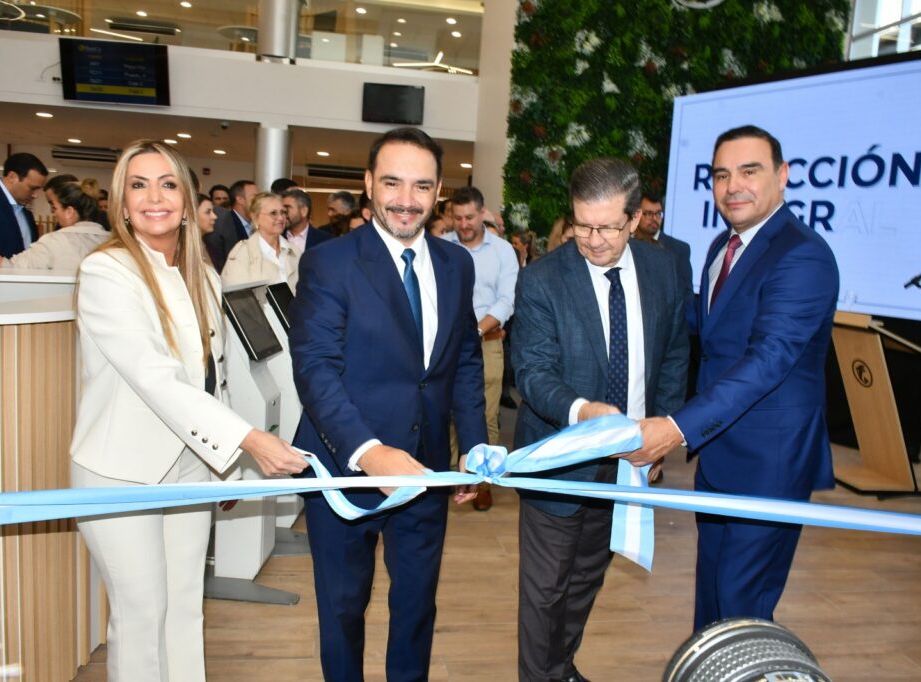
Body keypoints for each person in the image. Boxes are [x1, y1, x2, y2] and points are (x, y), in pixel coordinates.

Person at [70, 140, 308, 682]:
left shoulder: (202, 272)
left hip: (190, 466)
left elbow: (211, 376)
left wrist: (222, 466)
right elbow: (154, 377)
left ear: (187, 199)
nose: (154, 197)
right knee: (141, 615)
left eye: (168, 184)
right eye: (138, 185)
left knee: (183, 607)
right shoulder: (107, 271)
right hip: (120, 470)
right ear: (121, 202)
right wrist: (247, 440)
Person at [288, 127, 486, 682]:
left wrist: (472, 445)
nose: (406, 199)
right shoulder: (330, 262)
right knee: (343, 611)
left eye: (421, 186)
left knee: (417, 608)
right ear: (369, 183)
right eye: (393, 182)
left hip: (427, 471)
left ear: (439, 192)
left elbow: (464, 359)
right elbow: (316, 369)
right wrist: (368, 452)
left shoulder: (456, 264)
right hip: (345, 469)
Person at [636, 125, 839, 631]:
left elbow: (768, 359)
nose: (732, 187)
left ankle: (742, 666)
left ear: (782, 175)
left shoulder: (803, 255)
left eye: (749, 171)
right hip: (721, 455)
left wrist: (676, 427)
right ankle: (709, 666)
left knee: (742, 604)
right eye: (721, 175)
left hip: (771, 464)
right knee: (711, 593)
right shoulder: (721, 247)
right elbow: (705, 329)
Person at [511, 158, 688, 682]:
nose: (592, 240)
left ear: (635, 219)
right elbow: (533, 372)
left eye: (607, 227)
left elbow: (673, 356)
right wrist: (583, 412)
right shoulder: (543, 279)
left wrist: (661, 434)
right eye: (582, 225)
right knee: (545, 592)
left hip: (627, 463)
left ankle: (561, 669)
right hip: (559, 460)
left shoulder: (663, 270)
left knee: (587, 579)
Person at [443, 186, 519, 511]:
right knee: (446, 414)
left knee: (485, 413)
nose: (464, 224)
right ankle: (451, 476)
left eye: (470, 217)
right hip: (442, 346)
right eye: (458, 217)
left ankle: (483, 480)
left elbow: (506, 301)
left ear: (481, 213)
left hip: (486, 343)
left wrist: (472, 332)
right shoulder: (441, 247)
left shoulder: (502, 251)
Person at [0, 177, 108, 271]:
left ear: (69, 212)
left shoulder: (54, 242)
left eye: (55, 208)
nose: (53, 214)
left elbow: (6, 268)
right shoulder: (112, 241)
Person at [222, 191, 299, 292]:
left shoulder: (295, 251)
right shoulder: (242, 253)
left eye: (283, 212)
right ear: (255, 217)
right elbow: (236, 296)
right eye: (273, 213)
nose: (280, 218)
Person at [634, 190, 692, 299]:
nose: (655, 219)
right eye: (649, 214)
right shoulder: (625, 244)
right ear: (636, 215)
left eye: (658, 214)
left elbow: (686, 295)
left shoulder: (679, 250)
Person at [204, 179, 256, 271]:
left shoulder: (257, 224)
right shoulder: (221, 224)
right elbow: (220, 265)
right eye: (255, 197)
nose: (259, 201)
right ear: (240, 200)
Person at [281, 188, 332, 254]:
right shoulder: (275, 237)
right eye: (282, 209)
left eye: (287, 207)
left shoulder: (325, 240)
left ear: (304, 211)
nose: (283, 212)